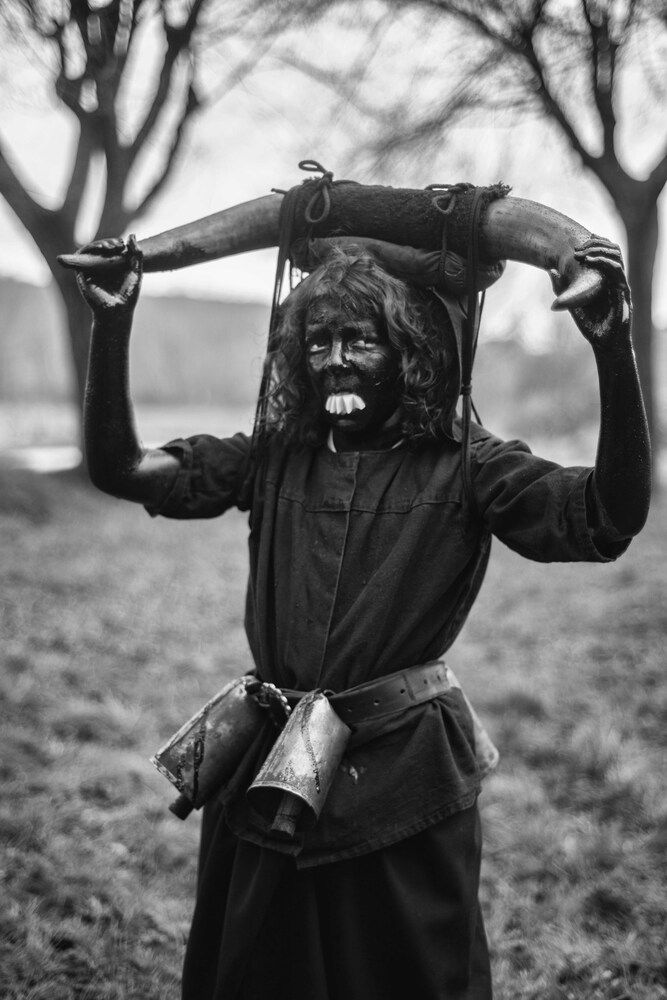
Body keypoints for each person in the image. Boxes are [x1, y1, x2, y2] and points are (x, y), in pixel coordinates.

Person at [76, 224, 650, 1000]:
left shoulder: (468, 463)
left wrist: (612, 349)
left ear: (411, 350)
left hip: (401, 779)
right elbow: (122, 469)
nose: (334, 359)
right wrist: (112, 324)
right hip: (266, 771)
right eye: (317, 342)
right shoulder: (277, 453)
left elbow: (607, 517)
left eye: (361, 340)